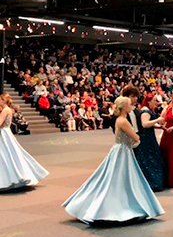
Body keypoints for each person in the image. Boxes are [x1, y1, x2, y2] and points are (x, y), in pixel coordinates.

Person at [63, 96, 164, 224]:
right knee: (120, 178)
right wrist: (136, 139)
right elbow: (136, 137)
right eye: (129, 105)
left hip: (119, 150)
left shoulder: (119, 120)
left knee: (113, 177)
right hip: (123, 151)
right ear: (124, 107)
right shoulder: (123, 121)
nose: (131, 107)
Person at [0, 93, 49, 191]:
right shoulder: (9, 110)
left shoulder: (5, 110)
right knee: (11, 155)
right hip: (7, 133)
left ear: (3, 100)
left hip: (3, 134)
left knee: (6, 155)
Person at [135, 93, 165, 192]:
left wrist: (159, 126)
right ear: (149, 101)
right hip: (146, 138)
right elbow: (145, 124)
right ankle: (152, 182)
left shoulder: (146, 110)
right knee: (149, 158)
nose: (156, 103)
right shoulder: (145, 111)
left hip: (148, 136)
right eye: (154, 101)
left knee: (150, 157)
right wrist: (158, 120)